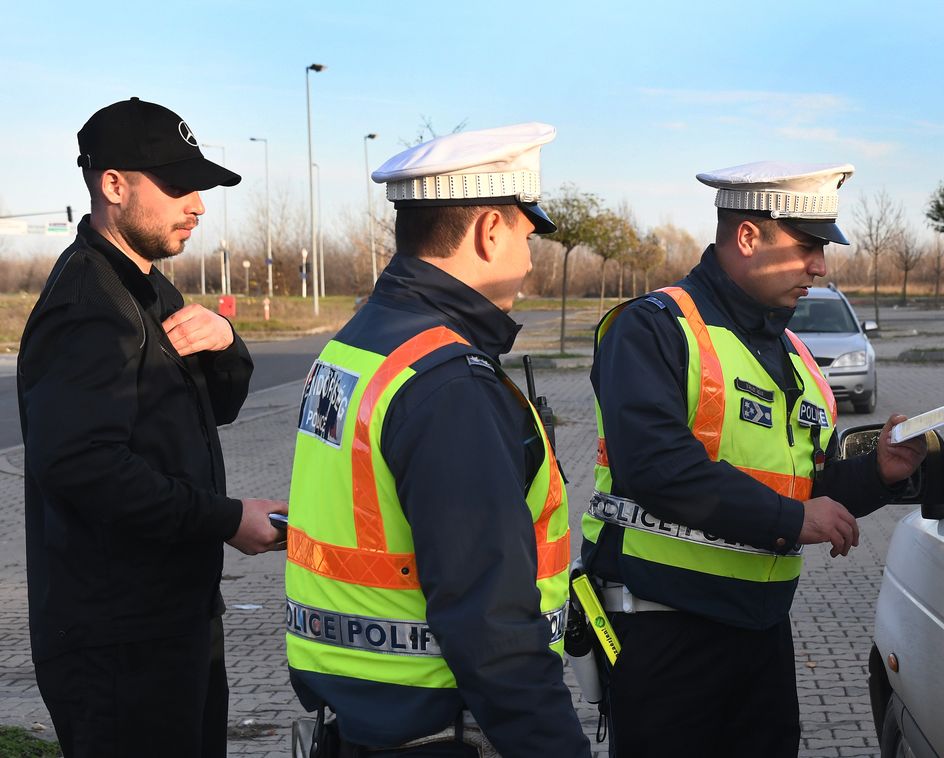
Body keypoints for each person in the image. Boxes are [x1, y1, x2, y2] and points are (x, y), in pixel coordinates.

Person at [582, 162, 928, 757]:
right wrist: (792, 522)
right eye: (807, 247)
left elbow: (805, 483)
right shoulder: (654, 328)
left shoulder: (791, 351)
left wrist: (878, 472)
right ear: (748, 237)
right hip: (663, 631)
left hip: (760, 633)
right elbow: (657, 466)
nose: (820, 267)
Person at [284, 123, 589, 757]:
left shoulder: (362, 341)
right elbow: (491, 624)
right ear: (489, 231)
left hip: (361, 723)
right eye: (527, 234)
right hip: (439, 732)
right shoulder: (449, 383)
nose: (532, 260)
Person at [20, 97, 286, 758]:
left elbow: (211, 410)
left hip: (173, 620)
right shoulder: (89, 305)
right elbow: (82, 465)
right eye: (177, 186)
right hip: (118, 646)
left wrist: (226, 341)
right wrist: (225, 519)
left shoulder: (146, 288)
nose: (197, 205)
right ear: (114, 185)